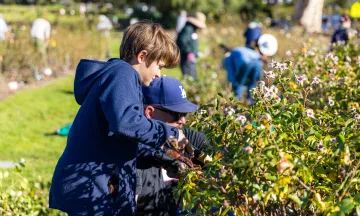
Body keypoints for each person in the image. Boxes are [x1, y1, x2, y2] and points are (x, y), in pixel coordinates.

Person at [49, 21, 188, 215]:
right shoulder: (122, 73)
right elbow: (127, 123)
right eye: (159, 66)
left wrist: (162, 159)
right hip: (91, 185)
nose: (158, 74)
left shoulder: (120, 79)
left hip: (94, 184)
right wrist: (171, 134)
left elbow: (124, 139)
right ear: (142, 56)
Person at [135, 76, 208, 216]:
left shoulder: (186, 140)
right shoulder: (136, 158)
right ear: (149, 112)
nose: (183, 120)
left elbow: (222, 159)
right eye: (176, 114)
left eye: (185, 113)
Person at [221, 34, 278, 104]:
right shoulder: (244, 50)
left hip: (247, 62)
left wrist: (234, 85)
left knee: (239, 84)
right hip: (257, 62)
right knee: (254, 85)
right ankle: (252, 104)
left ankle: (237, 103)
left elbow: (231, 77)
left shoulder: (228, 58)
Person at [176, 12, 207, 80]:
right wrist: (189, 52)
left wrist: (196, 52)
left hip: (190, 59)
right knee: (189, 78)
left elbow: (191, 43)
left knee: (193, 76)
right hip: (186, 59)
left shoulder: (192, 29)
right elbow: (182, 41)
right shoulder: (188, 29)